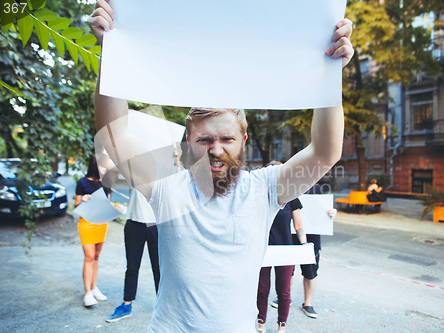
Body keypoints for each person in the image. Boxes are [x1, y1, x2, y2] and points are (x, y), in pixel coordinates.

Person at [89, 2, 353, 331]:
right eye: (204, 141)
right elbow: (113, 135)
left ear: (243, 138)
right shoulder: (167, 187)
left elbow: (326, 152)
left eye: (226, 139)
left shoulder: (266, 189)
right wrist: (111, 53)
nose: (216, 150)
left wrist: (331, 72)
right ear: (189, 139)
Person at [257, 161, 304, 333]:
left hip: (285, 250)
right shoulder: (260, 195)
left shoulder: (292, 197)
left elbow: (299, 225)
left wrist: (304, 244)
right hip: (263, 250)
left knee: (284, 292)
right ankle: (261, 324)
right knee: (262, 289)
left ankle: (281, 327)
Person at [106, 187, 160, 323]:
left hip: (156, 224)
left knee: (159, 269)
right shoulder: (132, 170)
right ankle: (126, 305)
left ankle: (164, 307)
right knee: (132, 268)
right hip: (134, 223)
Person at [291, 184, 336, 319]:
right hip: (289, 233)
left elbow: (325, 209)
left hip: (313, 235)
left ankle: (307, 303)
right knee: (287, 269)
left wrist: (332, 212)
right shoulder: (290, 185)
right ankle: (284, 297)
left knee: (310, 271)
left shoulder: (317, 188)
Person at [75, 155, 111, 307]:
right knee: (89, 256)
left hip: (101, 223)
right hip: (87, 223)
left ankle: (94, 287)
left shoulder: (107, 183)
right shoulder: (82, 182)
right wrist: (83, 199)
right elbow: (76, 205)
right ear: (95, 166)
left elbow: (107, 204)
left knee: (96, 256)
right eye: (103, 166)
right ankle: (87, 292)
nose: (106, 169)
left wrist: (116, 208)